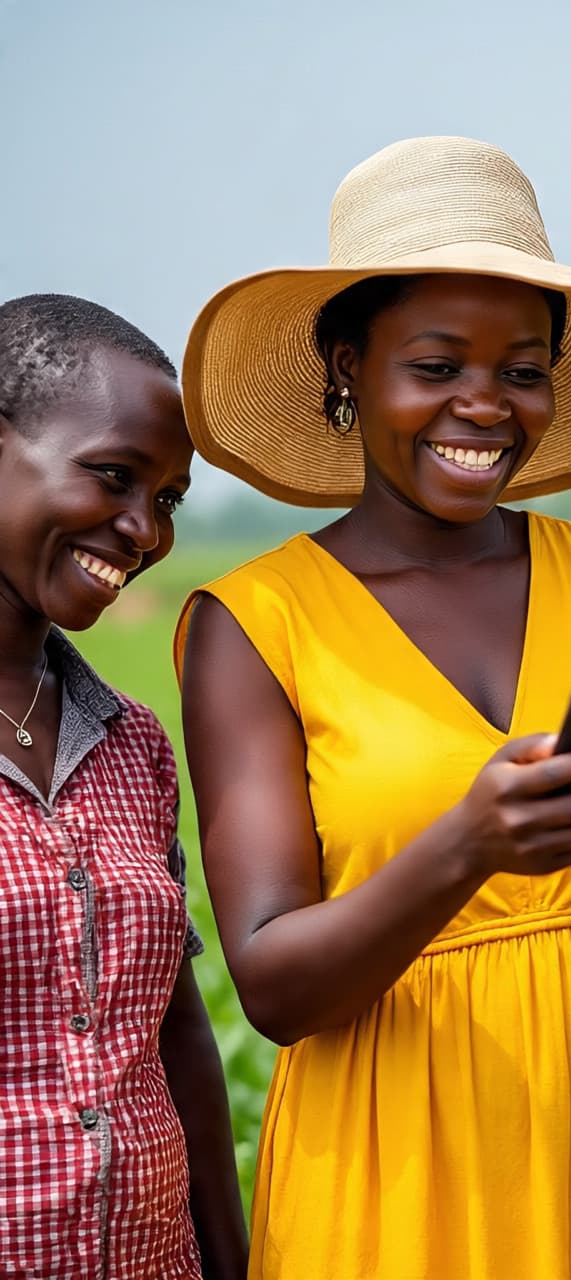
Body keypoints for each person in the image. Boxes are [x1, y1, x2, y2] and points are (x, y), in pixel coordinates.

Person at [175, 136, 571, 1279]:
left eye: (522, 368)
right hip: (394, 1179)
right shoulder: (254, 623)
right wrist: (467, 842)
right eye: (437, 364)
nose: (484, 404)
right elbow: (274, 986)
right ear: (346, 364)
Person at [0, 294, 247, 1278]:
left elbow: (179, 1034)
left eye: (171, 498)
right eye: (113, 475)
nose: (144, 529)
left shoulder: (134, 746)